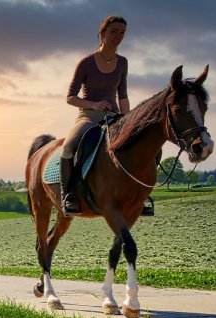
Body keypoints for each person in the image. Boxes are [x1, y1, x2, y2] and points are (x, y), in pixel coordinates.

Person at [61, 15, 130, 215]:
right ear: (102, 34)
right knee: (68, 147)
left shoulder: (123, 63)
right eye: (114, 31)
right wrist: (94, 104)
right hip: (88, 117)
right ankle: (68, 195)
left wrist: (128, 120)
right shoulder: (86, 62)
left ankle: (138, 196)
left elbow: (123, 96)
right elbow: (70, 98)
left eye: (122, 32)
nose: (118, 36)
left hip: (114, 118)